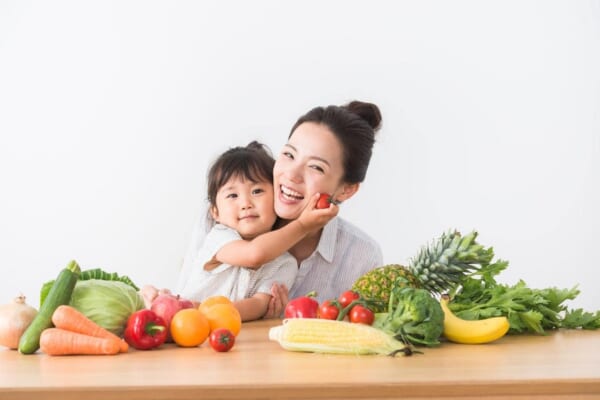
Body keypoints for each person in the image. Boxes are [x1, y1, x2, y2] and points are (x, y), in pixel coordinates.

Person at [176, 141, 338, 321]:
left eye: (257, 191)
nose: (246, 203)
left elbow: (258, 304)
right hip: (186, 324)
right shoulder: (219, 237)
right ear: (215, 212)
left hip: (232, 339)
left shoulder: (285, 263)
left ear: (277, 197)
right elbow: (254, 254)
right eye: (232, 195)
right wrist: (302, 225)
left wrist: (214, 315)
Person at [263, 100, 383, 317]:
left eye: (315, 167)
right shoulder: (229, 218)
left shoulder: (362, 256)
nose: (291, 174)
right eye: (289, 155)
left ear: (346, 190)